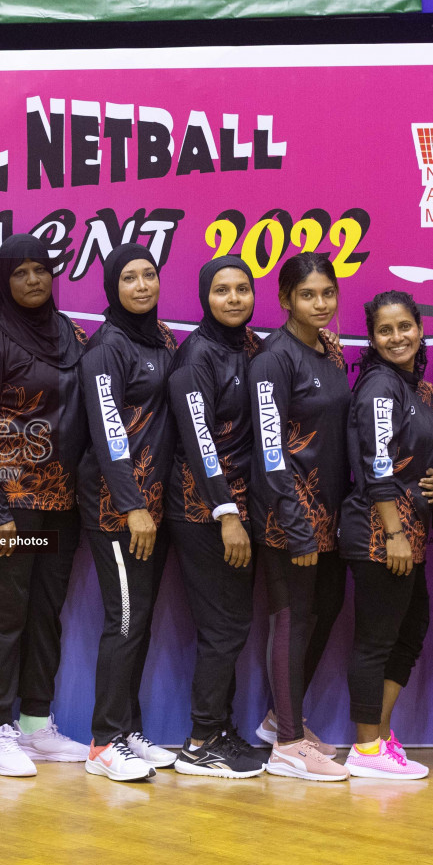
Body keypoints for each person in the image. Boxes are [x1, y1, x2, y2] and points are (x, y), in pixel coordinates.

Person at [0, 233, 91, 778]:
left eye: (42, 270)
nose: (34, 280)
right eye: (21, 272)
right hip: (9, 502)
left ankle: (37, 725)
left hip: (63, 502)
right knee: (2, 616)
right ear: (4, 280)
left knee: (45, 615)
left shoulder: (72, 335)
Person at [77, 243, 178, 782]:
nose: (142, 285)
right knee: (123, 620)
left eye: (149, 275)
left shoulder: (161, 340)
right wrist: (131, 505)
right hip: (116, 508)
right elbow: (108, 432)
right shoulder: (105, 349)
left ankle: (128, 730)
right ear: (113, 287)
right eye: (130, 278)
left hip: (154, 506)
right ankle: (102, 743)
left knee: (139, 620)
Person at [166, 256, 270, 778]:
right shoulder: (196, 357)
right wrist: (226, 513)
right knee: (224, 626)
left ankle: (221, 730)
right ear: (206, 297)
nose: (234, 299)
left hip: (243, 507)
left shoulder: (255, 348)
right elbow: (199, 439)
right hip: (203, 509)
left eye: (243, 289)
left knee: (231, 624)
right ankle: (201, 741)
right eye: (222, 290)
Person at [249, 251, 350, 781]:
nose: (320, 303)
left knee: (322, 612)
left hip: (331, 512)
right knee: (290, 618)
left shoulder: (329, 352)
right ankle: (288, 744)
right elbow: (269, 451)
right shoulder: (273, 359)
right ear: (285, 300)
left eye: (327, 293)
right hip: (288, 515)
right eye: (307, 295)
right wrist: (295, 521)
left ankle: (278, 719)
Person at [338, 292, 433, 780]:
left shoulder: (419, 389)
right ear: (373, 339)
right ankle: (366, 749)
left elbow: (421, 458)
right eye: (386, 330)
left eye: (405, 327)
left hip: (410, 532)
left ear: (419, 328)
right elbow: (378, 467)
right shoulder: (381, 386)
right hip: (380, 533)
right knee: (376, 640)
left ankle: (379, 738)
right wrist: (395, 532)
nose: (397, 337)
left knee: (411, 629)